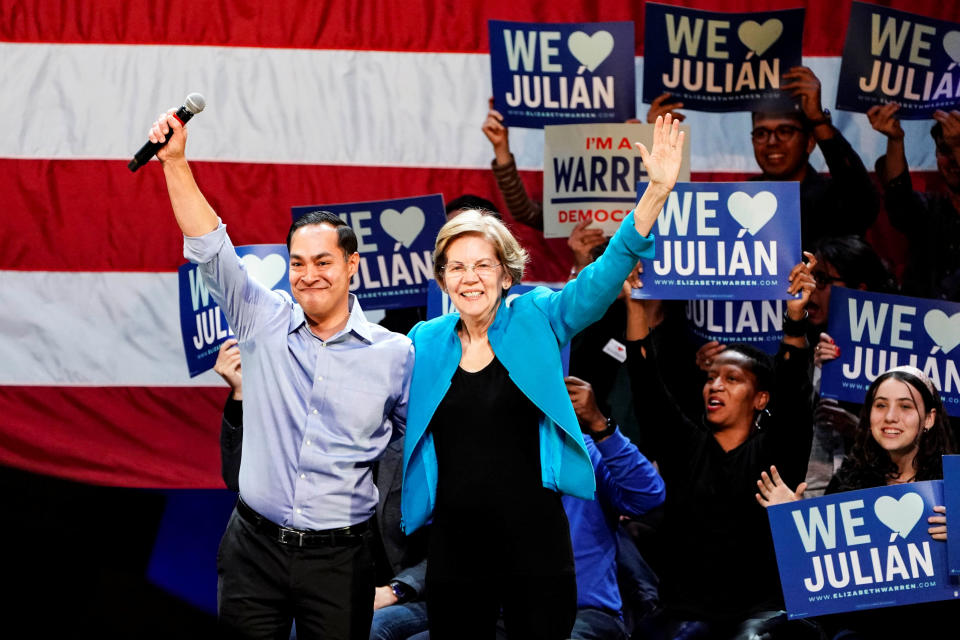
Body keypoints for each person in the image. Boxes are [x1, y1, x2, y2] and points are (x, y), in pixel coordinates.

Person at [400, 115, 685, 639]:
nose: (470, 278)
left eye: (483, 266)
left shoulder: (539, 316)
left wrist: (656, 194)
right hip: (456, 539)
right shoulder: (423, 340)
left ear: (507, 274)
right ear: (441, 278)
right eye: (456, 267)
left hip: (535, 533)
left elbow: (604, 275)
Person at [146, 109, 414, 639]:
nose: (308, 275)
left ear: (352, 265)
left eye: (323, 261)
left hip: (341, 561)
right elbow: (211, 247)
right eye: (297, 262)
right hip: (253, 550)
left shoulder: (397, 355)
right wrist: (175, 163)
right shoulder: (261, 318)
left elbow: (419, 449)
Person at [624, 255, 817, 639]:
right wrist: (636, 307)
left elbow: (794, 393)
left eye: (732, 378)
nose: (715, 385)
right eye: (711, 377)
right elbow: (646, 384)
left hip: (759, 616)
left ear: (761, 398)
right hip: (683, 613)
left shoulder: (777, 452)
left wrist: (795, 317)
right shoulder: (684, 446)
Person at [756, 365, 955, 638]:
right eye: (880, 405)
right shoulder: (849, 478)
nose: (890, 417)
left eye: (906, 407)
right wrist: (795, 523)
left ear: (929, 418)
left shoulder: (953, 485)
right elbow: (818, 582)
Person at [648, 66, 879, 250]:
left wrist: (818, 120)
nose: (771, 141)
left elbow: (864, 204)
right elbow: (675, 232)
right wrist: (657, 143)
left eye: (785, 131)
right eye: (761, 133)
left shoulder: (835, 198)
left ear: (810, 142)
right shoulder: (734, 200)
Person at [564, 376, 666, 639]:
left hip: (584, 613)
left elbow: (647, 496)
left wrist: (600, 425)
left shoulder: (585, 451)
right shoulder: (486, 455)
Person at [868, 103, 960, 301]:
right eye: (944, 150)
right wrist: (895, 139)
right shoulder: (929, 210)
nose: (952, 159)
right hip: (918, 325)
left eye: (957, 148)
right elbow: (898, 198)